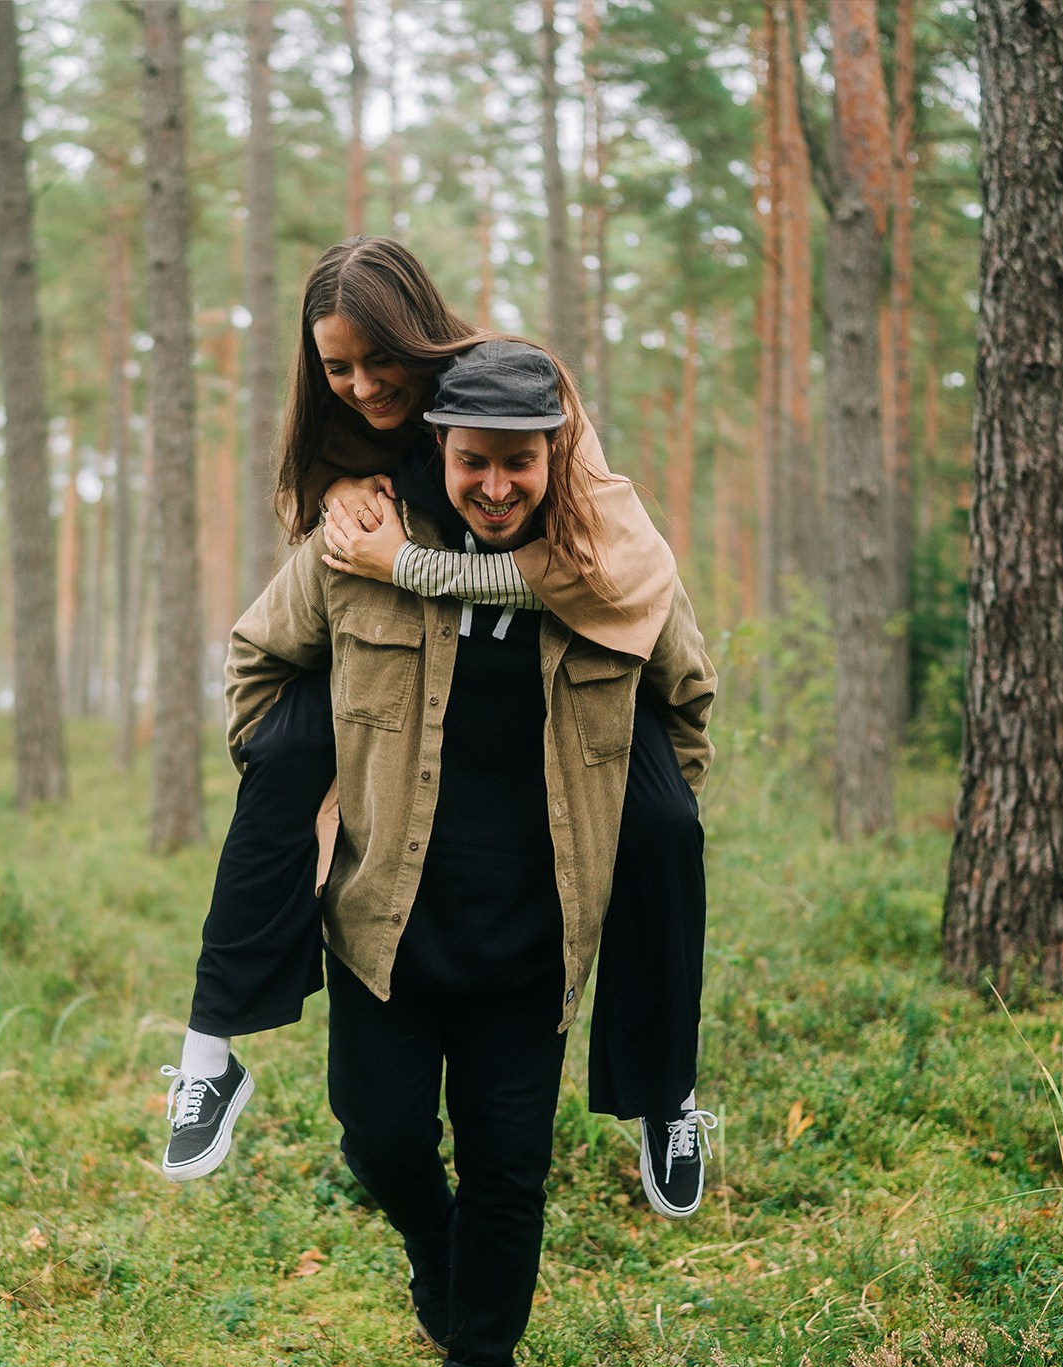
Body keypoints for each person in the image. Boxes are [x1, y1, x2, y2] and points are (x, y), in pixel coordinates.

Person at [159, 238, 718, 1221]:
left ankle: (665, 1092)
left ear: (419, 336)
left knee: (664, 824)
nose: (363, 386)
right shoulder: (347, 422)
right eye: (338, 367)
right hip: (379, 678)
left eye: (381, 359)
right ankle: (210, 1049)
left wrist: (408, 568)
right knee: (282, 755)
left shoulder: (521, 389)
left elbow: (620, 567)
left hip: (576, 660)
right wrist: (338, 499)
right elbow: (302, 529)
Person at [221, 340, 716, 1367]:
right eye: (473, 462)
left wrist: (638, 827)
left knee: (508, 1166)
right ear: (440, 451)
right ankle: (435, 1252)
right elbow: (259, 657)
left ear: (553, 457)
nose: (496, 486)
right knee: (380, 1139)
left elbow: (685, 698)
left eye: (519, 463)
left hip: (534, 941)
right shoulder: (363, 542)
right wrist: (295, 779)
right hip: (383, 925)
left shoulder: (616, 569)